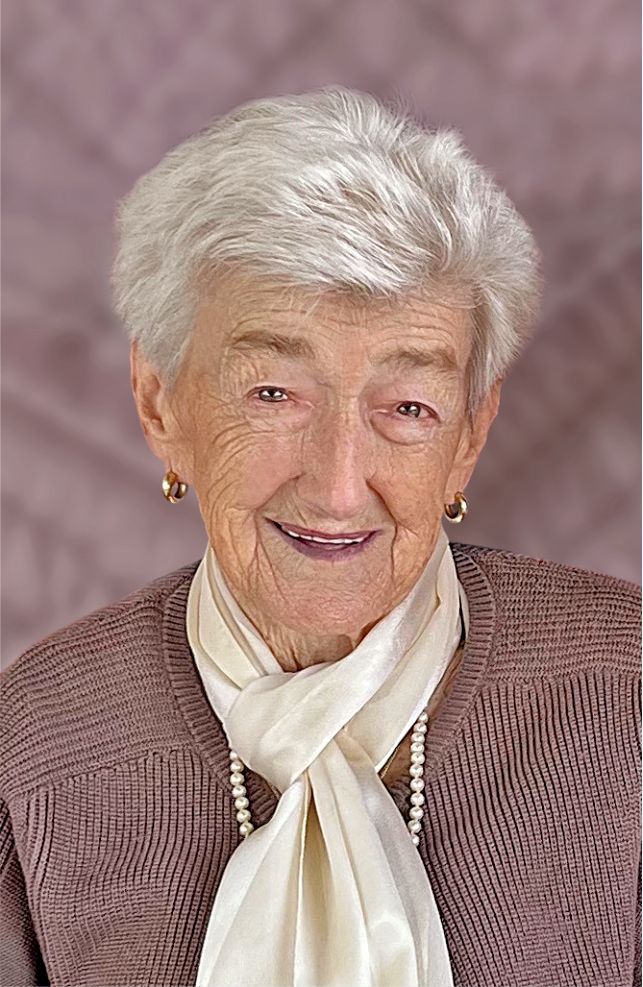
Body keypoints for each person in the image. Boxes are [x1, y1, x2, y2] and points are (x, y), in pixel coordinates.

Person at [1, 87, 640, 987]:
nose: (338, 488)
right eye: (274, 394)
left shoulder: (625, 694)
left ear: (469, 434)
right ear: (160, 402)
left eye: (407, 406)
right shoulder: (35, 742)